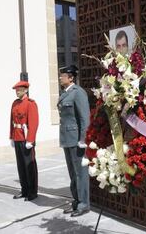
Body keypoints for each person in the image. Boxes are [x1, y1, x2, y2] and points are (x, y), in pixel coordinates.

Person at [58, 65, 90, 217]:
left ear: (71, 77)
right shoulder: (65, 93)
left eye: (63, 75)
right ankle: (76, 201)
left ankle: (84, 204)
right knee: (72, 174)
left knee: (80, 174)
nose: (60, 77)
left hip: (76, 139)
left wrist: (82, 139)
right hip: (66, 138)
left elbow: (84, 118)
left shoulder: (78, 93)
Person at [10, 80, 39, 201]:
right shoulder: (15, 103)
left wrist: (30, 140)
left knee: (29, 165)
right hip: (17, 137)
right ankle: (24, 190)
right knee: (21, 165)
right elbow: (11, 121)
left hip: (26, 138)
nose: (17, 92)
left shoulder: (30, 103)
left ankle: (32, 192)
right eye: (16, 90)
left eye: (19, 90)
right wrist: (11, 136)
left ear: (25, 90)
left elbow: (34, 123)